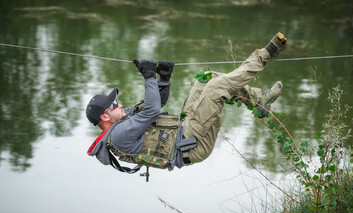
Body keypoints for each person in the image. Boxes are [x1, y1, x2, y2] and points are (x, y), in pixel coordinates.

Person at [86, 32, 287, 173]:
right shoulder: (119, 135)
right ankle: (266, 54)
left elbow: (159, 103)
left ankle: (259, 103)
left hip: (187, 128)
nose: (119, 105)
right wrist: (148, 77)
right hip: (192, 144)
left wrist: (163, 79)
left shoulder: (122, 120)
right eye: (113, 105)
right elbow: (152, 109)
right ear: (104, 116)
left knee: (206, 78)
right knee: (216, 88)